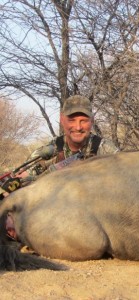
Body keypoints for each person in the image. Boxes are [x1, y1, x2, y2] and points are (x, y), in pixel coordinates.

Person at [1, 95, 119, 240]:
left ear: (92, 121)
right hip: (57, 218)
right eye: (72, 120)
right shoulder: (48, 151)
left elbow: (122, 185)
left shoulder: (106, 150)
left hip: (97, 219)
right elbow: (24, 179)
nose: (78, 127)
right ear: (62, 120)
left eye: (83, 121)